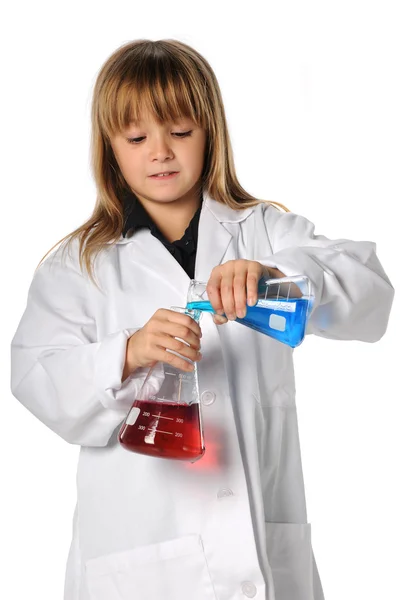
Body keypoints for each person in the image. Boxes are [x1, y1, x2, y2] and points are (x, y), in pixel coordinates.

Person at [10, 39, 394, 600]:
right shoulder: (80, 266)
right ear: (109, 148)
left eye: (180, 132)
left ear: (210, 131)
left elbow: (372, 294)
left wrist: (274, 279)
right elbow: (35, 378)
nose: (160, 152)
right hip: (138, 560)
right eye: (137, 138)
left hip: (263, 555)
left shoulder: (263, 231)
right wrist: (129, 351)